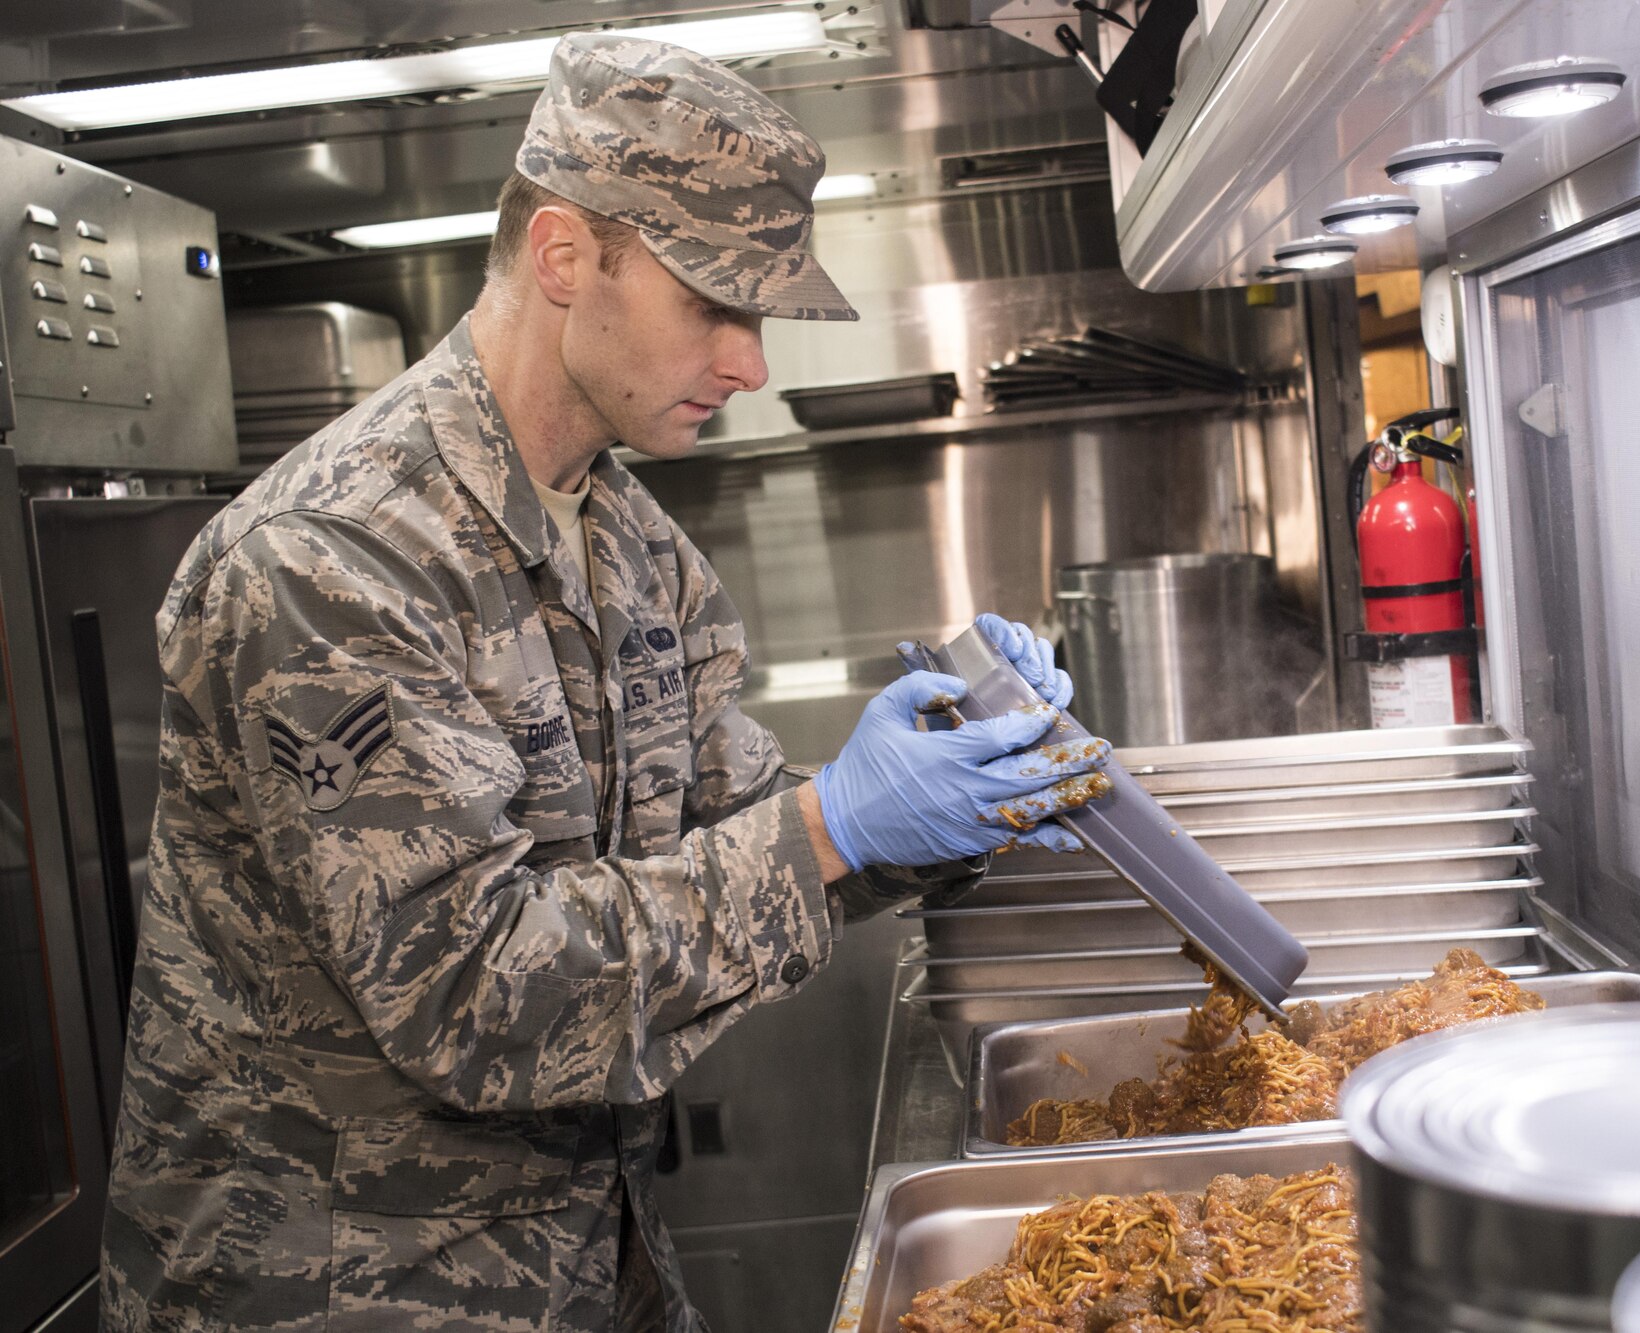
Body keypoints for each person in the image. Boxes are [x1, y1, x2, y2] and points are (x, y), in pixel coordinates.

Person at [100, 33, 1111, 1332]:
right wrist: (831, 823)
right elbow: (471, 994)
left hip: (584, 1251)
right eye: (717, 304)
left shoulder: (636, 549)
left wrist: (964, 788)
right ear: (566, 255)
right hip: (333, 1285)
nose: (751, 365)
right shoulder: (332, 562)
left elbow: (740, 830)